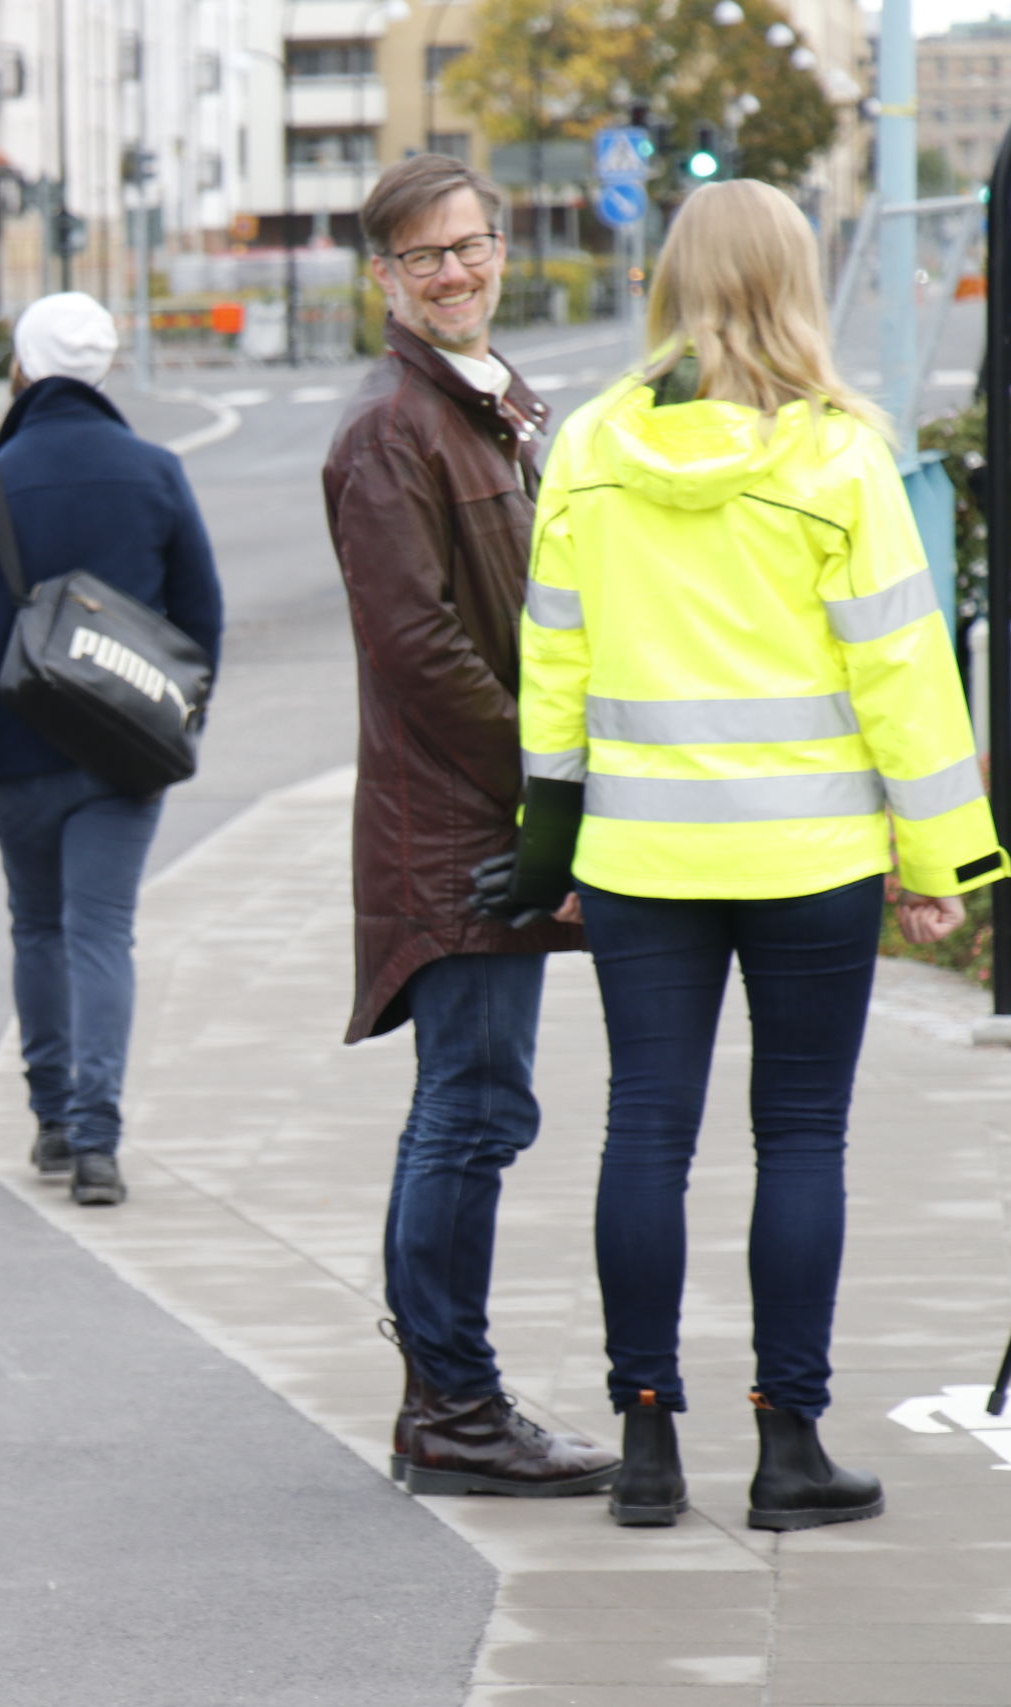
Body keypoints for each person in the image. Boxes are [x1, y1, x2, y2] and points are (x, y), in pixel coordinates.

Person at [506, 178, 1005, 1531]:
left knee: (645, 1130)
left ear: (670, 278)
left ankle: (648, 1441)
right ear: (796, 282)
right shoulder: (842, 456)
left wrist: (549, 841)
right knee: (802, 1133)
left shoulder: (594, 445)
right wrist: (948, 858)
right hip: (812, 855)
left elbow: (552, 664)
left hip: (639, 856)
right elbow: (907, 672)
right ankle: (789, 1448)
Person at [321, 154, 618, 1498]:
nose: (453, 271)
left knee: (473, 1107)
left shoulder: (489, 409)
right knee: (475, 1109)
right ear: (383, 278)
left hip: (485, 815)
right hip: (461, 829)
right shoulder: (391, 431)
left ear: (501, 248)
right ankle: (453, 1406)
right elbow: (422, 650)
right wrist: (547, 793)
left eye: (469, 246)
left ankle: (447, 1399)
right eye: (421, 257)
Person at [0, 291, 223, 1208]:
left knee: (39, 928)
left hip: (18, 747)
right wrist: (178, 723)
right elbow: (201, 617)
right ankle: (98, 1143)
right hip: (128, 751)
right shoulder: (157, 472)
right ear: (103, 371)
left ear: (21, 368)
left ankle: (51, 1117)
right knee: (103, 934)